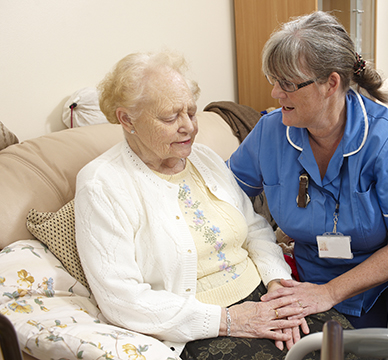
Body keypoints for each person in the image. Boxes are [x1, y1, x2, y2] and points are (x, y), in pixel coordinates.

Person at [74, 51, 355, 360]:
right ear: (127, 119)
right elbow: (121, 300)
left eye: (191, 113)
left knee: (354, 351)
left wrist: (279, 286)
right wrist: (231, 320)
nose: (189, 127)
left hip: (264, 298)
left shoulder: (203, 158)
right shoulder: (102, 184)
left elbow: (254, 229)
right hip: (200, 325)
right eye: (171, 117)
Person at [227, 12, 388, 360]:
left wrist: (329, 294)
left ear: (331, 83)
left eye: (288, 83)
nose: (275, 93)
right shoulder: (269, 133)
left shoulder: (387, 137)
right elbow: (223, 196)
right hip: (318, 271)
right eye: (273, 80)